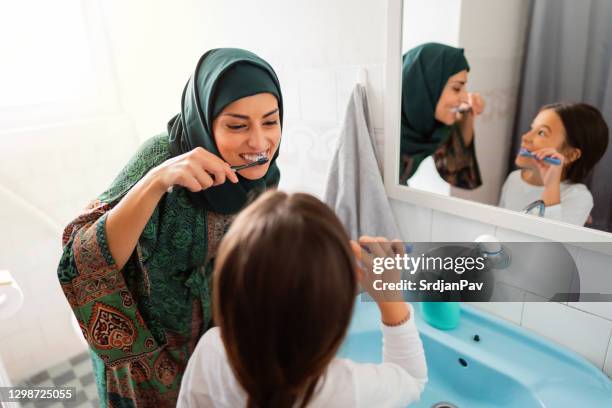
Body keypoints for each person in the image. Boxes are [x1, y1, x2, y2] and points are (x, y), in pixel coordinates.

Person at [56, 48, 283, 407]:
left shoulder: (265, 179)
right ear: (205, 121)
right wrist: (156, 182)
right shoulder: (161, 157)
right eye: (237, 125)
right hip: (144, 355)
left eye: (270, 122)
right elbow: (79, 260)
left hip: (210, 340)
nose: (259, 142)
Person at [178, 191, 428, 407]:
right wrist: (390, 298)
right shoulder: (347, 389)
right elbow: (411, 378)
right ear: (335, 315)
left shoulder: (210, 351)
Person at [499, 102, 609, 226]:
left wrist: (551, 185)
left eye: (541, 133)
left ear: (570, 155)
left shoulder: (579, 198)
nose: (525, 137)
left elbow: (548, 242)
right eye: (532, 128)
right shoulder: (514, 179)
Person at [400, 42, 485, 188]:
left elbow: (461, 175)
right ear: (426, 87)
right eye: (457, 88)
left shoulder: (432, 129)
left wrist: (468, 114)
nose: (465, 97)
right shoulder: (380, 133)